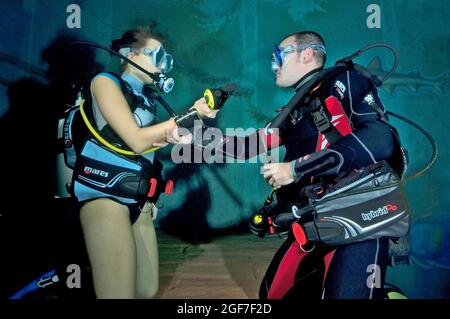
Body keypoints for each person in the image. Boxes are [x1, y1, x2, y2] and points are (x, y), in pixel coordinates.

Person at [189, 31, 403, 299]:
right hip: (317, 221)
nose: (274, 65)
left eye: (279, 55)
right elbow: (246, 147)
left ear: (307, 54)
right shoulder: (294, 111)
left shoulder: (345, 80)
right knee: (271, 295)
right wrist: (193, 133)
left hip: (360, 221)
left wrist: (294, 169)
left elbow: (380, 140)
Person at [72, 27, 216, 299]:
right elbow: (136, 140)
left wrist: (172, 137)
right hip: (105, 198)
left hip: (137, 201)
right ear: (129, 54)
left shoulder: (148, 98)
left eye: (166, 58)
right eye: (157, 55)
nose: (163, 64)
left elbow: (142, 147)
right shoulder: (104, 82)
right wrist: (193, 113)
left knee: (146, 289)